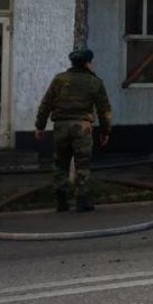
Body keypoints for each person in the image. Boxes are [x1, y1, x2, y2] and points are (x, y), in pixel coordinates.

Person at [34, 47, 113, 213]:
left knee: (60, 163)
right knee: (82, 164)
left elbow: (46, 104)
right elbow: (104, 110)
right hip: (82, 127)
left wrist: (40, 126)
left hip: (61, 126)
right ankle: (81, 200)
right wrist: (105, 132)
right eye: (91, 61)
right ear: (87, 63)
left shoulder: (59, 80)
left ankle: (61, 201)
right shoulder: (95, 82)